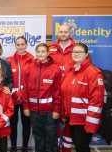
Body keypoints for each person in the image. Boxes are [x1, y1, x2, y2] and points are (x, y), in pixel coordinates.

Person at [61, 43, 105, 152]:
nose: (76, 54)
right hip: (71, 118)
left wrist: (90, 124)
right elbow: (66, 94)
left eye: (80, 52)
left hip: (84, 120)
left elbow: (96, 101)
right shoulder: (71, 71)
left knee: (82, 147)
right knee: (78, 146)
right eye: (74, 52)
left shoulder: (93, 73)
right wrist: (64, 113)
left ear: (86, 54)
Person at [22, 43, 62, 152]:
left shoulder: (55, 69)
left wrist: (57, 110)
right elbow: (24, 89)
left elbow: (58, 91)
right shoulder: (29, 67)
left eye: (43, 51)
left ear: (48, 53)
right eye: (38, 51)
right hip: (34, 111)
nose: (40, 54)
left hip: (50, 112)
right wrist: (25, 107)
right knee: (38, 137)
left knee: (51, 137)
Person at [49, 24, 76, 152]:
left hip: (71, 92)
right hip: (53, 92)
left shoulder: (77, 49)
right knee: (54, 123)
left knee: (68, 124)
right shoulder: (50, 48)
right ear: (57, 33)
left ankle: (66, 149)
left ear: (70, 33)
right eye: (61, 32)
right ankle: (56, 147)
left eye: (66, 32)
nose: (63, 34)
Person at [6, 36, 34, 152]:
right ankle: (13, 146)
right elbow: (7, 80)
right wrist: (14, 91)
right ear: (15, 45)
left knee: (26, 123)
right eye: (18, 44)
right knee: (13, 123)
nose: (20, 46)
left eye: (23, 44)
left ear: (26, 45)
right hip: (12, 98)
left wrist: (23, 93)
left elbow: (33, 80)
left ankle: (25, 147)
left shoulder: (33, 60)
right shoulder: (9, 60)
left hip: (26, 98)